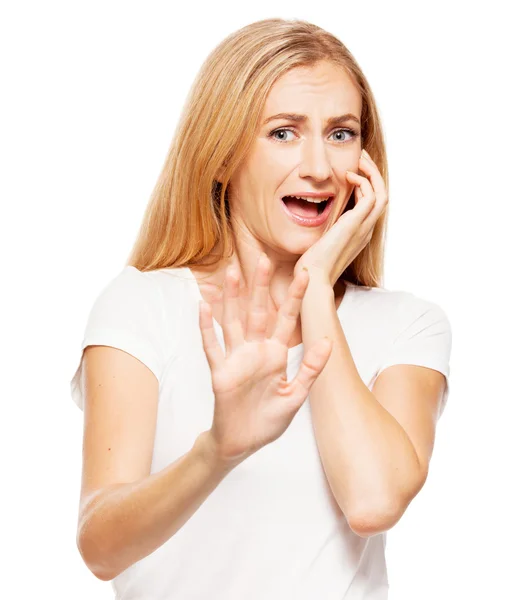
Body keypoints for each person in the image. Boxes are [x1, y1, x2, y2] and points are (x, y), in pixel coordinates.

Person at [69, 17, 452, 600]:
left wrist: (316, 284)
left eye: (342, 133)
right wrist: (218, 451)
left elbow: (373, 501)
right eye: (283, 133)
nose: (321, 168)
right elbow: (100, 546)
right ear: (222, 156)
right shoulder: (141, 306)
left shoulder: (408, 326)